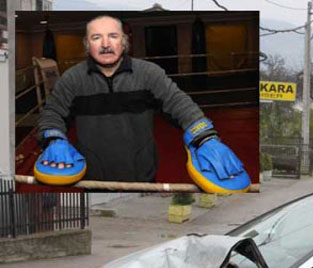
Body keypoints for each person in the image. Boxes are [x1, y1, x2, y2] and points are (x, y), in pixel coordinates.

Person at [34, 15, 250, 193]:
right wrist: (53, 139)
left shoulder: (149, 73)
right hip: (93, 182)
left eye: (113, 36)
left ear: (124, 42)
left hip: (143, 178)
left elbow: (178, 103)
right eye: (96, 37)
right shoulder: (73, 78)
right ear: (87, 44)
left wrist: (205, 137)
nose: (106, 44)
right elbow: (53, 111)